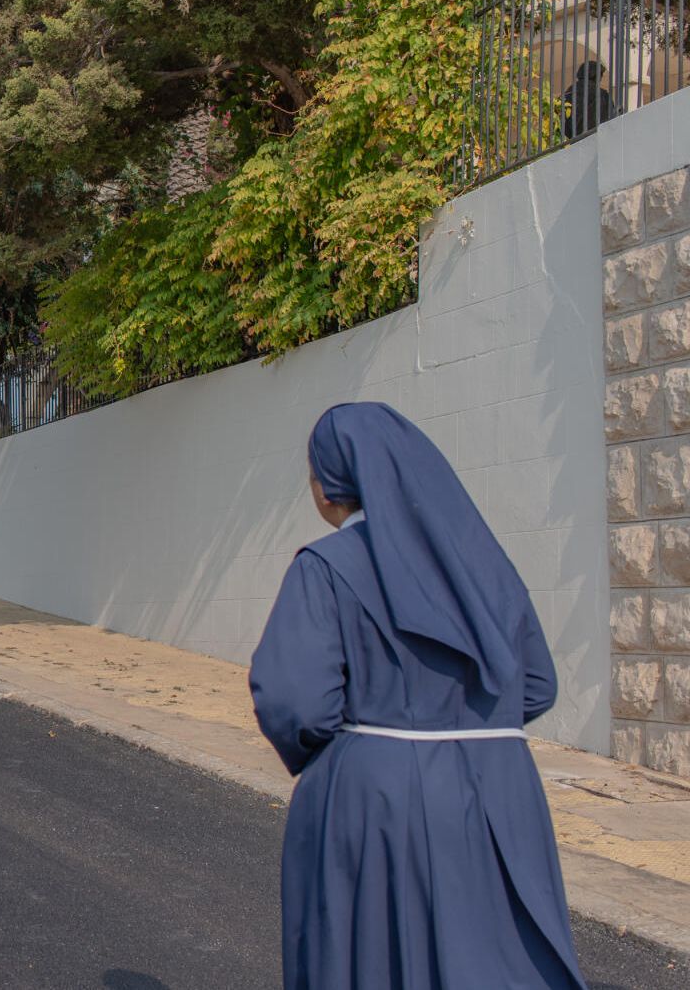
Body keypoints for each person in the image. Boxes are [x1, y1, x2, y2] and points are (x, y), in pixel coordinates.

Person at [250, 403, 587, 990]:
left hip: (381, 803)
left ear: (331, 484)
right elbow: (537, 682)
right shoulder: (482, 563)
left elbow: (295, 701)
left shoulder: (326, 566)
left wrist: (352, 759)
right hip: (503, 792)